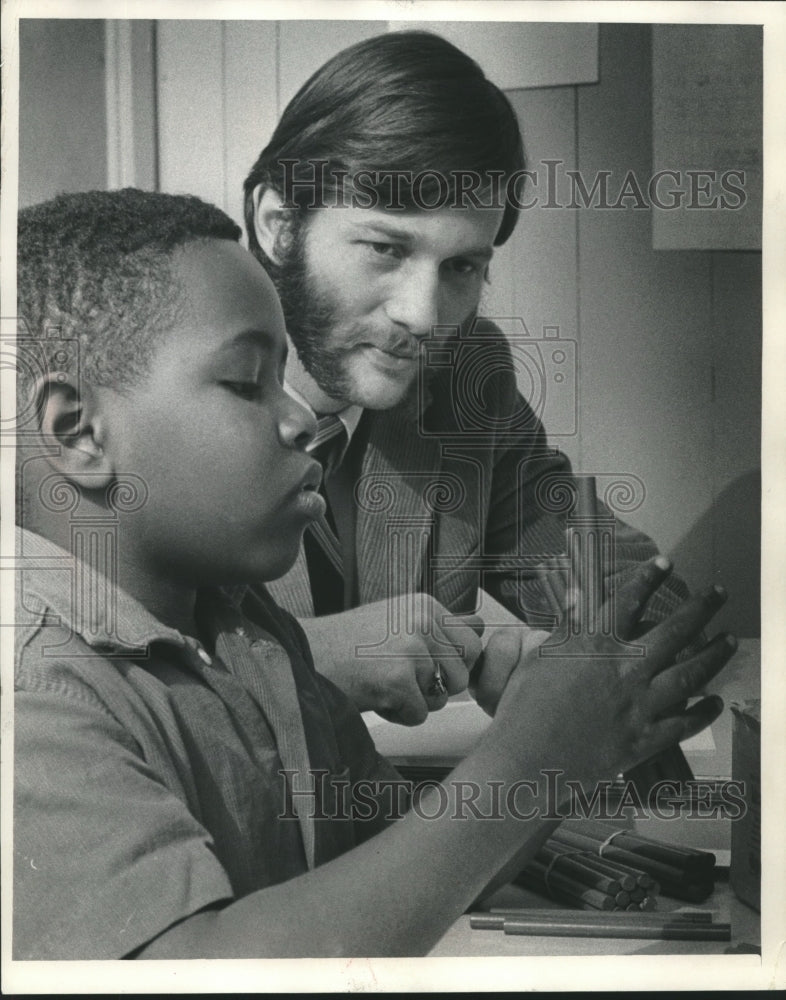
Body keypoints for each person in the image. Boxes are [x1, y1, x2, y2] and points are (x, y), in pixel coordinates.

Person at [13, 188, 734, 960]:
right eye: (247, 382)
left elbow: (418, 866)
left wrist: (564, 735)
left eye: (286, 379)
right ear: (77, 431)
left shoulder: (249, 631)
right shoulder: (37, 693)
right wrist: (533, 755)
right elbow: (193, 970)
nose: (297, 420)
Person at [242, 30, 697, 732]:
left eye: (462, 267)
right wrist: (307, 657)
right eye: (385, 248)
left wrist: (570, 659)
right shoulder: (151, 377)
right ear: (278, 226)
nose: (424, 318)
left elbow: (650, 610)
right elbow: (55, 666)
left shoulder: (464, 380)